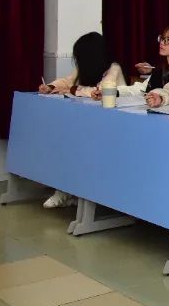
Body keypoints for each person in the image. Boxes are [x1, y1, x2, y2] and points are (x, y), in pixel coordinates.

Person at [38, 32, 127, 208]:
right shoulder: (84, 70)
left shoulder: (113, 68)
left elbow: (98, 92)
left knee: (78, 146)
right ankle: (66, 190)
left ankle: (67, 191)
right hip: (93, 123)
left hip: (114, 127)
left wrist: (72, 90)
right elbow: (67, 81)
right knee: (65, 142)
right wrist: (51, 86)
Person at [125, 24, 169, 96]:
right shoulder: (159, 70)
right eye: (162, 38)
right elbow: (149, 94)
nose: (162, 42)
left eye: (168, 40)